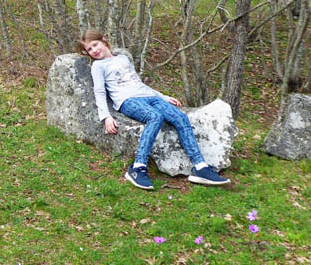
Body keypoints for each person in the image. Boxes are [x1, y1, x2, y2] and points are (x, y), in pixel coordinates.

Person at [77, 29, 230, 190]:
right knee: (155, 117)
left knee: (180, 117)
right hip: (127, 101)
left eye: (95, 45)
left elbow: (138, 83)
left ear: (104, 40)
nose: (94, 50)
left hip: (149, 96)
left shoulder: (122, 59)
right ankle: (138, 167)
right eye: (89, 50)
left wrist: (163, 97)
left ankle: (200, 167)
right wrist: (106, 117)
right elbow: (99, 91)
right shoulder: (98, 66)